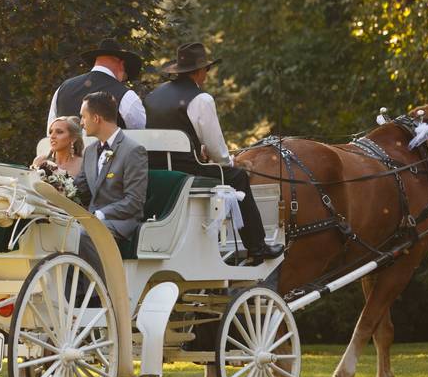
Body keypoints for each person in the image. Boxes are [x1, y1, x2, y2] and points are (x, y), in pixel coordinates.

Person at [144, 42, 283, 262]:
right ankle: (257, 247)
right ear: (199, 72)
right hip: (187, 173)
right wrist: (230, 161)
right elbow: (217, 148)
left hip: (155, 170)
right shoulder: (201, 99)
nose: (206, 76)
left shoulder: (153, 96)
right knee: (238, 178)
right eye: (206, 70)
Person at [74, 91, 148, 275]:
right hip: (92, 219)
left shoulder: (133, 151)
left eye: (83, 117)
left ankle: (99, 293)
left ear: (96, 118)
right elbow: (78, 189)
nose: (81, 122)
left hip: (121, 222)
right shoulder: (90, 151)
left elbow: (135, 201)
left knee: (84, 234)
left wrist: (101, 215)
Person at [47, 37, 146, 131]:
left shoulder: (63, 89)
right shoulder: (126, 95)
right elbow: (140, 137)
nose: (122, 80)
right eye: (125, 76)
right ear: (121, 64)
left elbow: (50, 133)